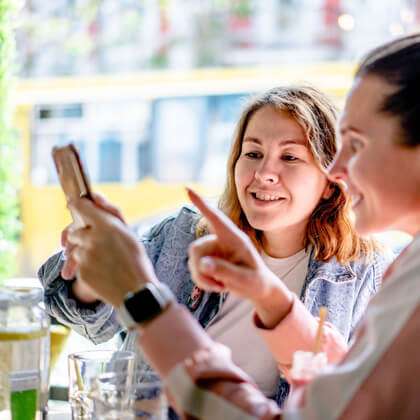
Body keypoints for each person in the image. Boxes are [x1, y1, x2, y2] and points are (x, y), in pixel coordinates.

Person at [65, 33, 420, 419]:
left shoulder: (387, 276)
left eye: (357, 144)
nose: (337, 169)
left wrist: (144, 301)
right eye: (252, 153)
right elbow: (78, 310)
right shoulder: (188, 236)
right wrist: (269, 296)